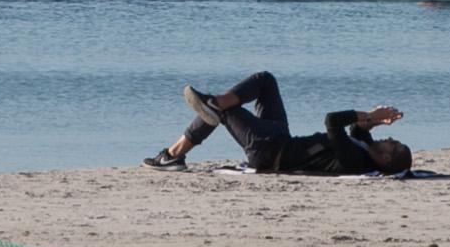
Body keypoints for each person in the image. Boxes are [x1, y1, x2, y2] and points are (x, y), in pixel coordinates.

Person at [142, 71, 411, 175]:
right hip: (280, 137)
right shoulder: (364, 148)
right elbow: (356, 131)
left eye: (394, 145)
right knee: (266, 81)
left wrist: (367, 115)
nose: (390, 140)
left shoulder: (355, 160)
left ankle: (174, 155)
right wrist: (374, 120)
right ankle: (217, 103)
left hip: (268, 152)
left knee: (221, 111)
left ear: (386, 160)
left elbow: (333, 122)